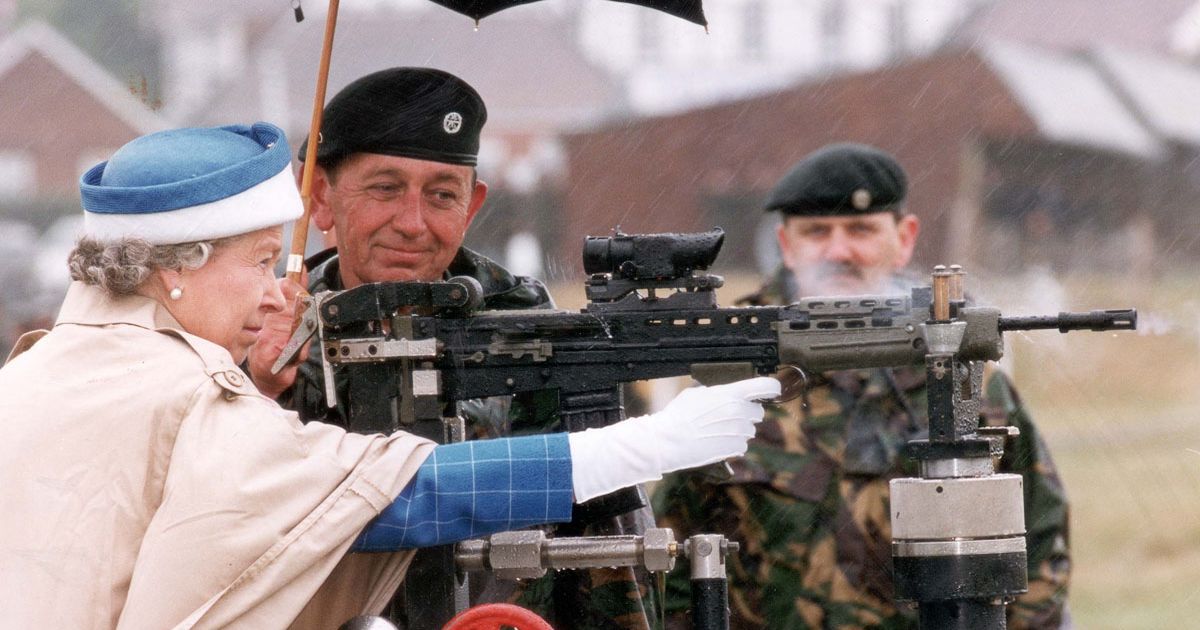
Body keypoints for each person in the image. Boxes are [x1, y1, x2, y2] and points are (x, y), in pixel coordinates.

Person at [0, 122, 780, 629]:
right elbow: (394, 497)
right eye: (261, 261)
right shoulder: (179, 391)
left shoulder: (43, 370)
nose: (278, 292)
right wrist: (643, 446)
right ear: (179, 269)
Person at [245, 67, 662, 629]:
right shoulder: (252, 334)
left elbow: (612, 562)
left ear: (471, 206)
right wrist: (257, 388)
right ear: (319, 196)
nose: (413, 224)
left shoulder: (538, 340)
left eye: (441, 195)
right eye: (385, 189)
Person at [654, 143, 1071, 629]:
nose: (838, 251)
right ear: (786, 244)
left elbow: (1037, 548)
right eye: (816, 232)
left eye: (861, 229)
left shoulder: (959, 374)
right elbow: (672, 553)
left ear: (905, 237)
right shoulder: (735, 370)